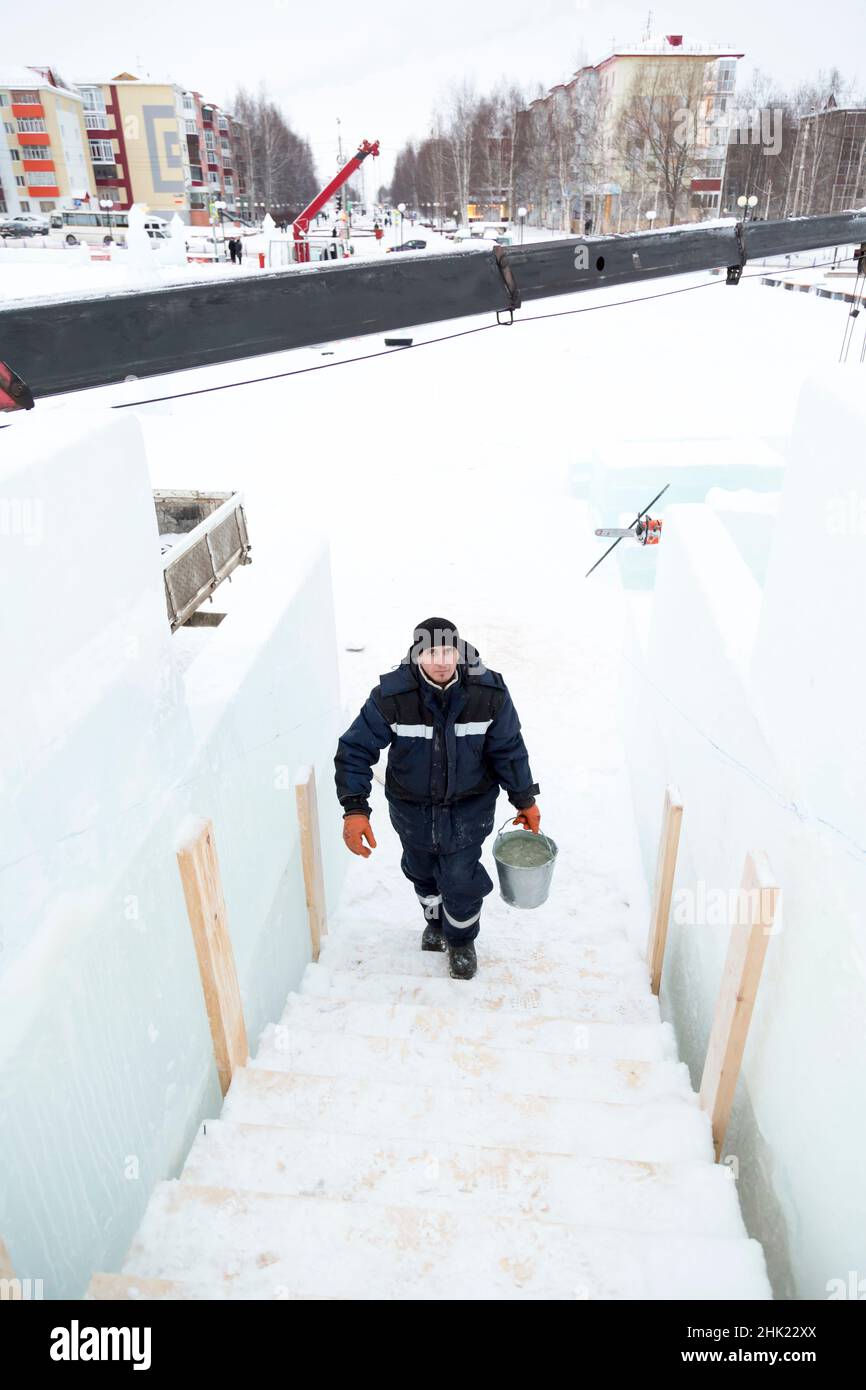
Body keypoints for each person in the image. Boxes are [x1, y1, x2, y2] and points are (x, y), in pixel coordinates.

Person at [335, 618, 540, 980]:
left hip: (469, 809)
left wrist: (524, 799)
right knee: (422, 874)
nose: (441, 661)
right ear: (417, 655)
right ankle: (434, 919)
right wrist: (355, 809)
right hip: (412, 811)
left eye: (447, 650)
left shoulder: (488, 694)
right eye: (432, 652)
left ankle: (461, 940)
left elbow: (508, 749)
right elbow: (355, 749)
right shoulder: (392, 698)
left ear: (458, 650)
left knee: (460, 879)